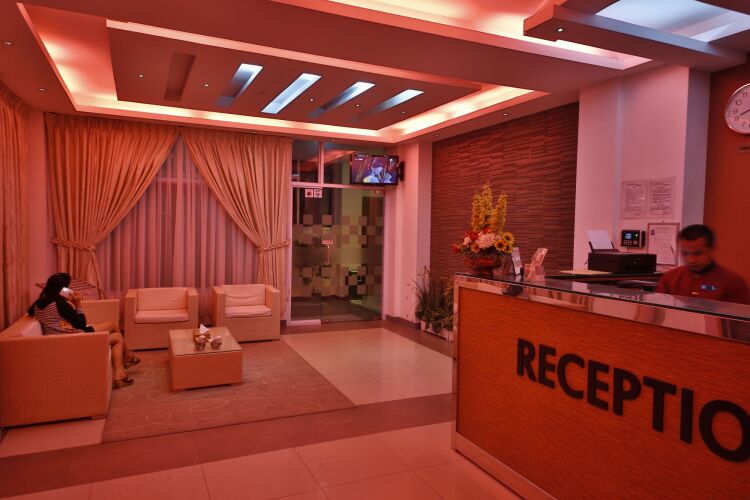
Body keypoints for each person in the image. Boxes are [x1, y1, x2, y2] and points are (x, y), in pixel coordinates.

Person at [28, 273, 139, 388]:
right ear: (62, 290)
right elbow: (81, 325)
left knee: (113, 325)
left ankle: (126, 359)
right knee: (117, 337)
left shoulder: (37, 304)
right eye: (69, 287)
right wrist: (78, 305)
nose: (71, 290)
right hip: (74, 341)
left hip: (65, 337)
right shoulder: (60, 305)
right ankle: (120, 372)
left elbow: (31, 312)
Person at [656, 225, 750, 304]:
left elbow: (741, 318)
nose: (691, 260)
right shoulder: (669, 279)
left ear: (712, 249)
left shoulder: (733, 283)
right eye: (685, 253)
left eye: (698, 253)